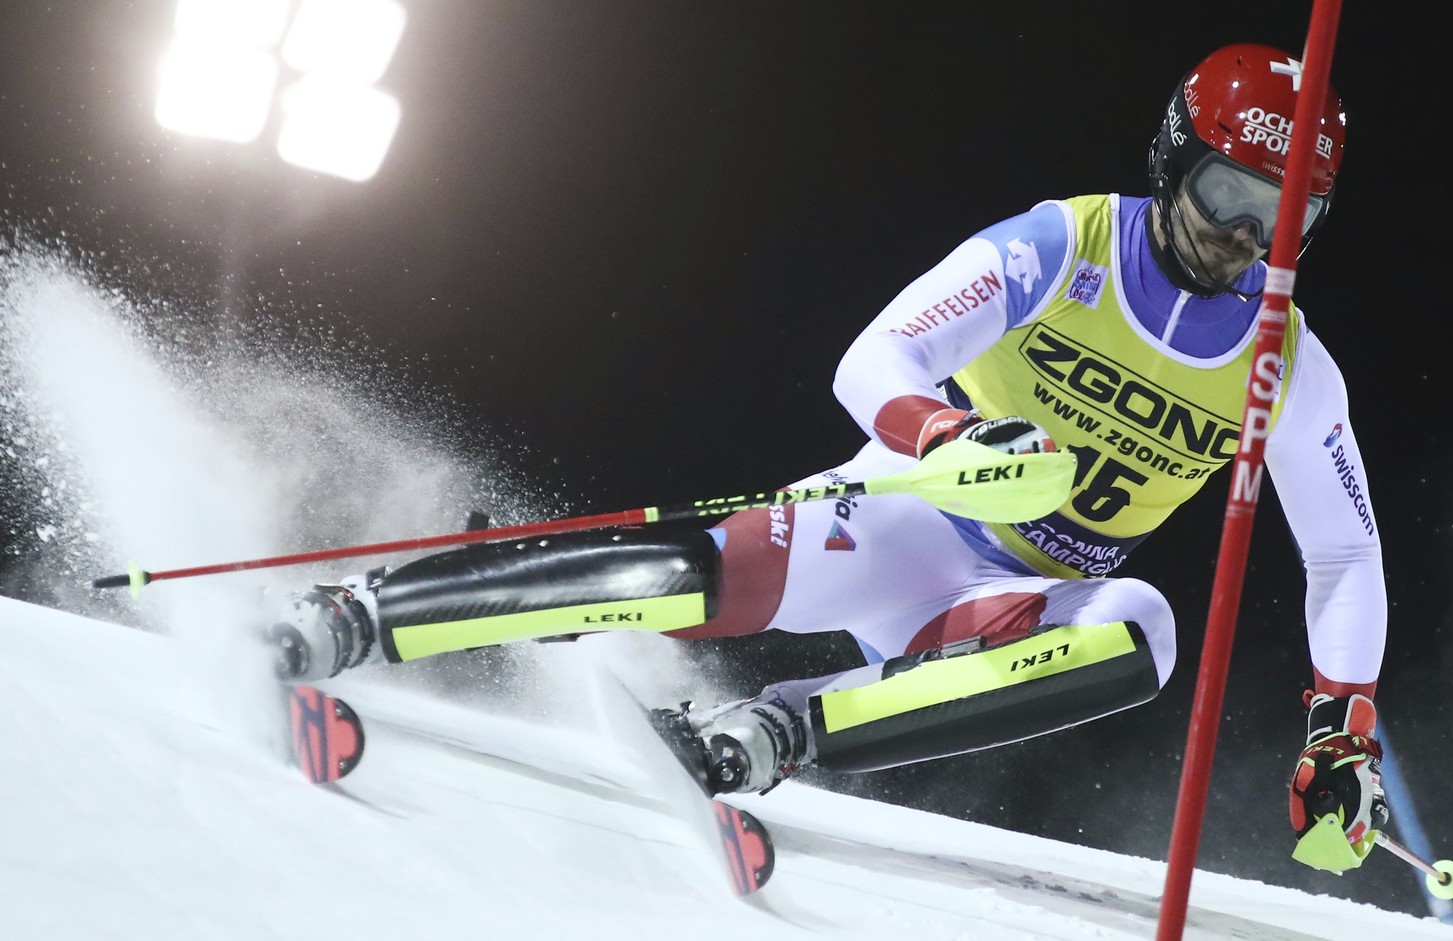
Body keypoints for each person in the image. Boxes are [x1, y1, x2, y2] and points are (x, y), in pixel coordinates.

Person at [269, 43, 1389, 871]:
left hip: (1007, 602)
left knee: (1144, 628)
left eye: (1288, 218)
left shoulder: (1290, 363)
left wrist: (1343, 728)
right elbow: (877, 354)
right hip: (902, 520)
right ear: (1173, 159)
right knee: (689, 581)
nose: (1250, 241)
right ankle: (367, 612)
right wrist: (944, 434)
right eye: (1230, 198)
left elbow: (1344, 554)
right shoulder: (1066, 244)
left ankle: (778, 730)